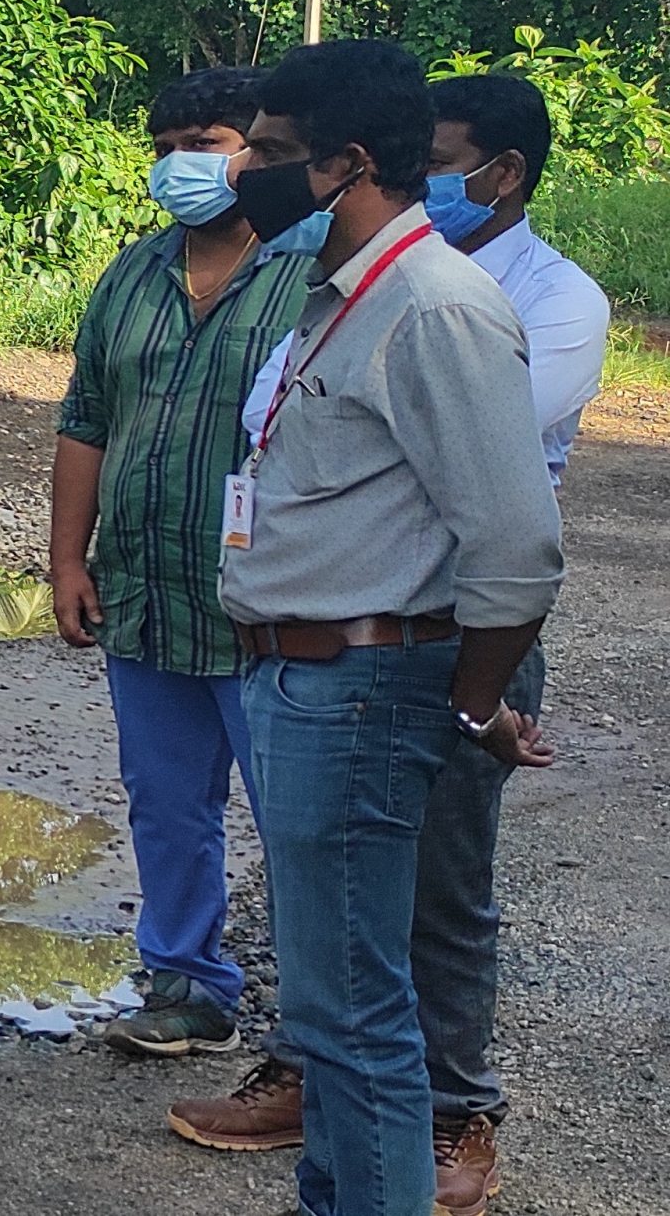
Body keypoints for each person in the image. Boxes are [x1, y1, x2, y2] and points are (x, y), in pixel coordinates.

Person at [183, 73, 604, 1216]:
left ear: (350, 167)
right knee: (330, 1013)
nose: (243, 174)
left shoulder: (433, 308)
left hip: (360, 686)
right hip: (305, 677)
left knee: (360, 1018)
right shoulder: (339, 295)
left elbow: (517, 547)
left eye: (272, 150)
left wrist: (471, 705)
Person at [51, 67, 314, 1059]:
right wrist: (66, 561)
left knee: (298, 819)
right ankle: (187, 985)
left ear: (261, 152)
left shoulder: (309, 270)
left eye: (203, 144)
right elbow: (86, 419)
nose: (179, 167)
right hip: (146, 590)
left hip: (271, 603)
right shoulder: (131, 274)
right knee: (166, 805)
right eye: (164, 149)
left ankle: (322, 1029)